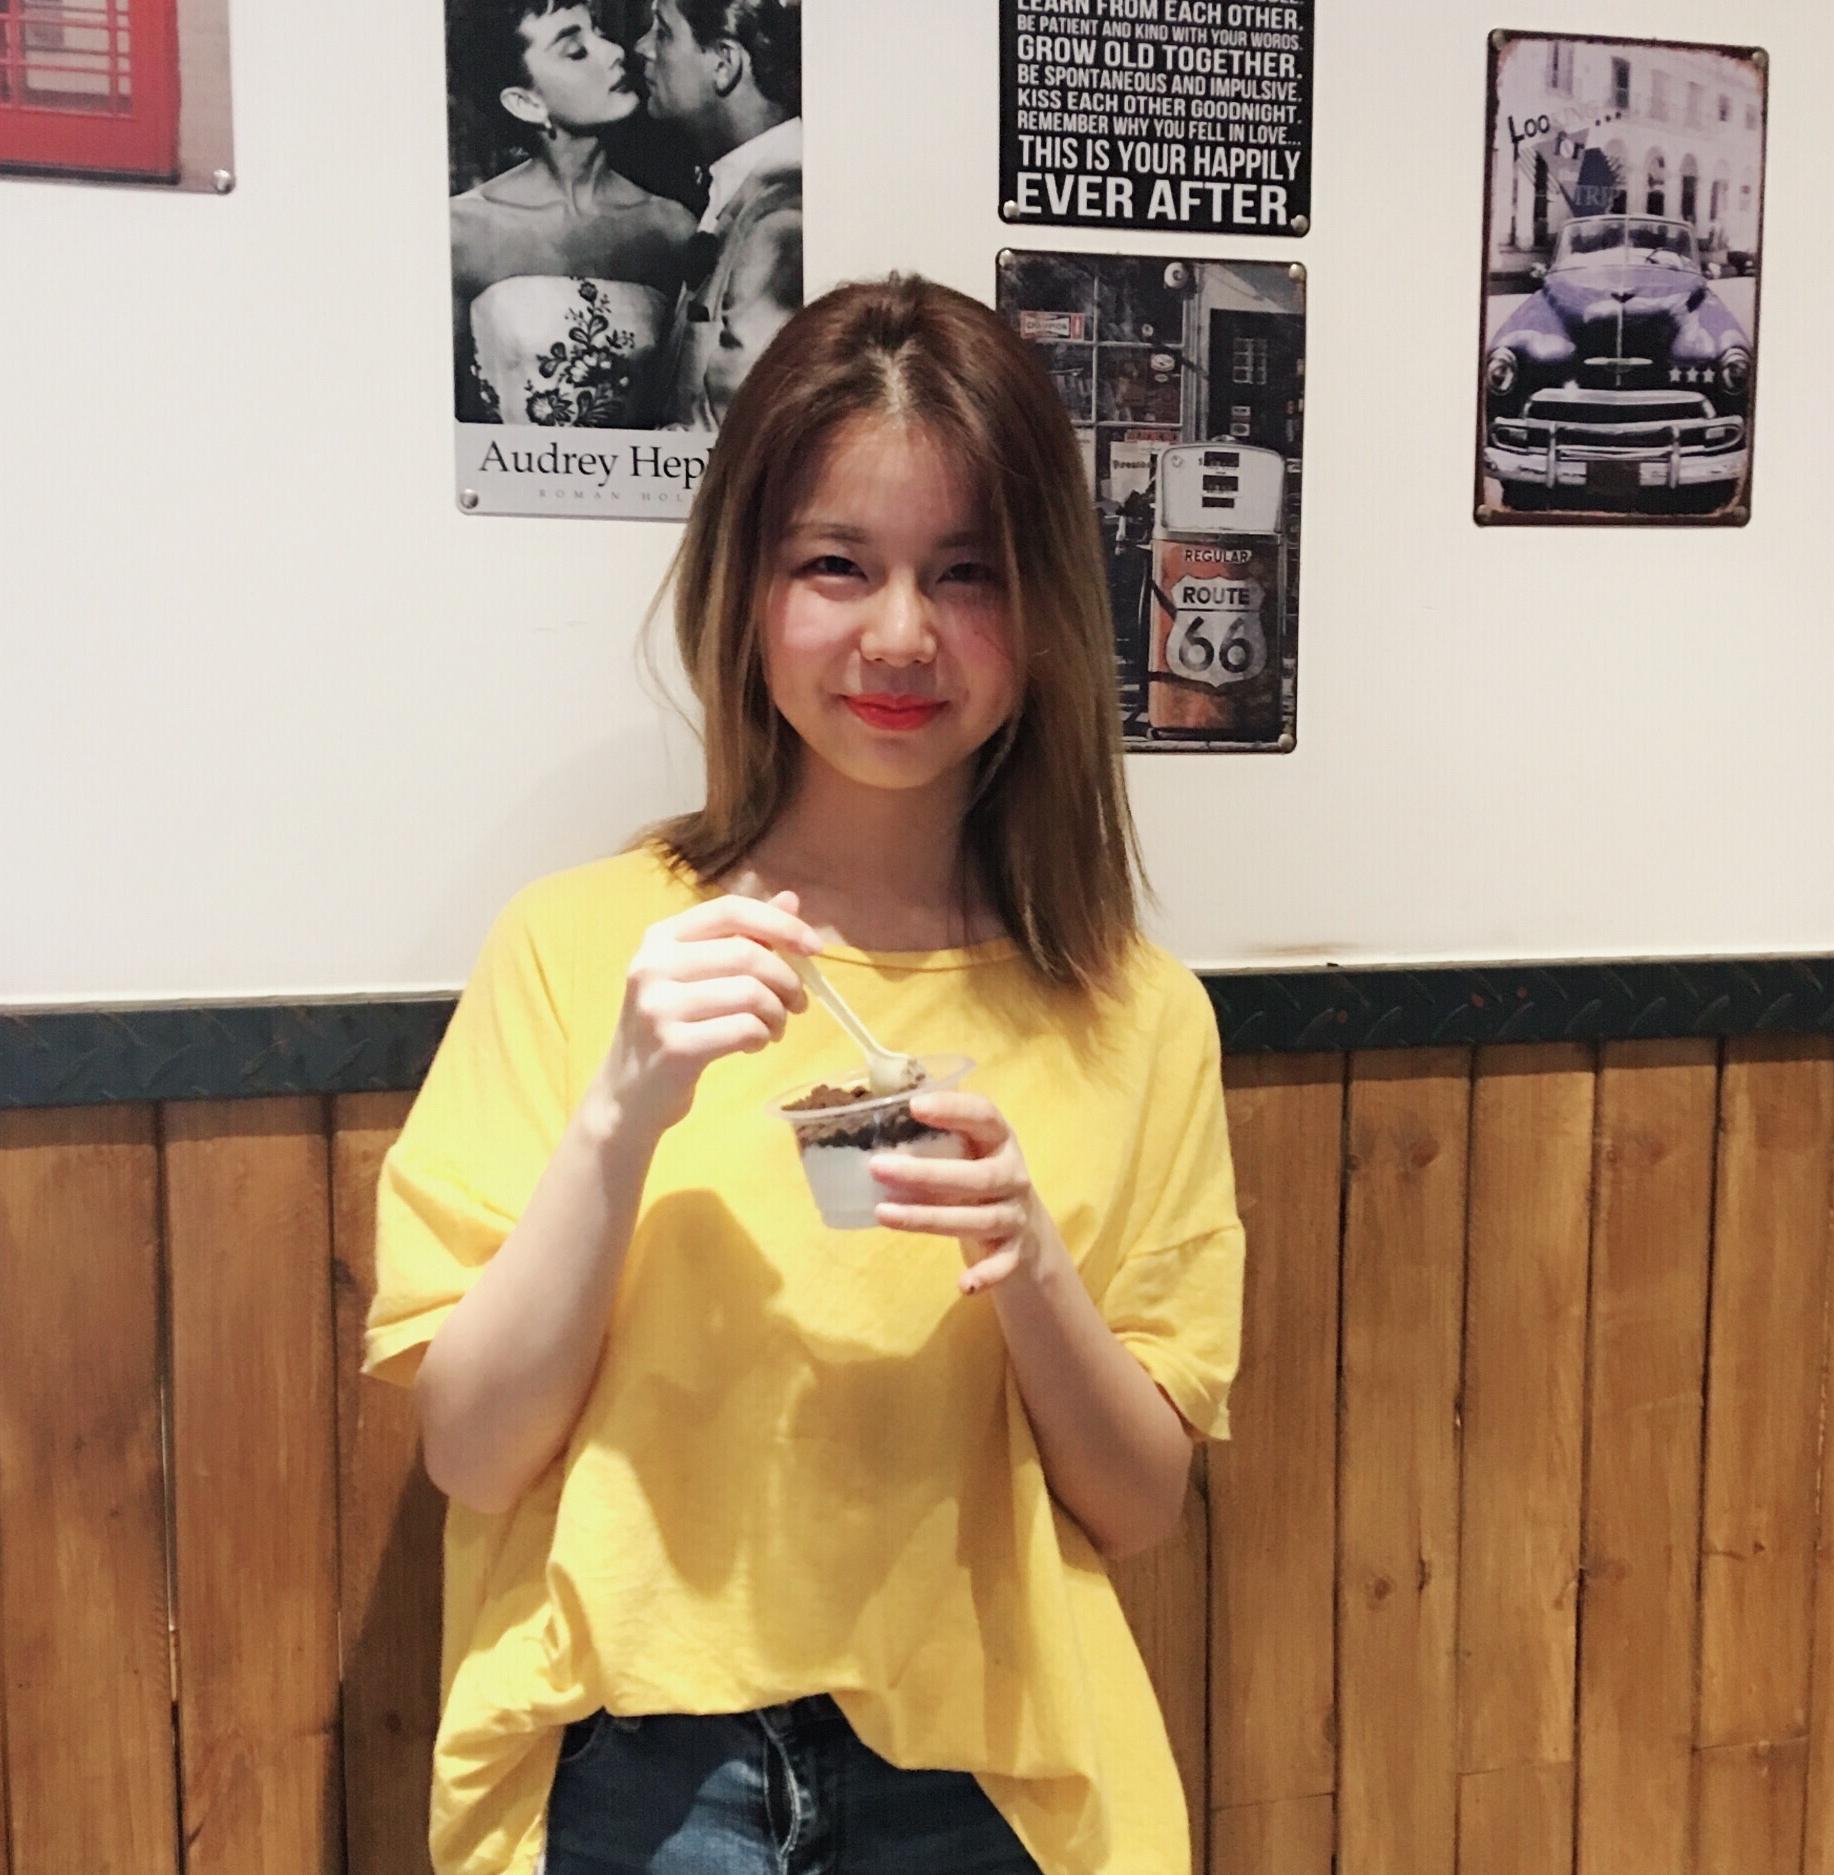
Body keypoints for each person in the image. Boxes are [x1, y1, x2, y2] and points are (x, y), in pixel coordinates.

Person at [365, 275, 1246, 1875]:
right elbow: (470, 1451)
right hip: (638, 1776)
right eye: (835, 563)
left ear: (1044, 603)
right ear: (746, 587)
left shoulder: (1137, 1012)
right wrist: (623, 1108)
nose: (899, 634)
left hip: (995, 1785)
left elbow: (1135, 1507)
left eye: (965, 572)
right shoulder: (582, 947)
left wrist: (1027, 1258)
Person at [448, 0, 694, 427]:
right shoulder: (461, 232)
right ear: (526, 102)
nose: (614, 52)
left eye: (599, 33)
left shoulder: (672, 229)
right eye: (575, 51)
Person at [635, 0, 802, 429]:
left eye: (663, 33)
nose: (642, 48)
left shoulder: (782, 217)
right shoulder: (740, 188)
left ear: (723, 64)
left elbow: (730, 436)